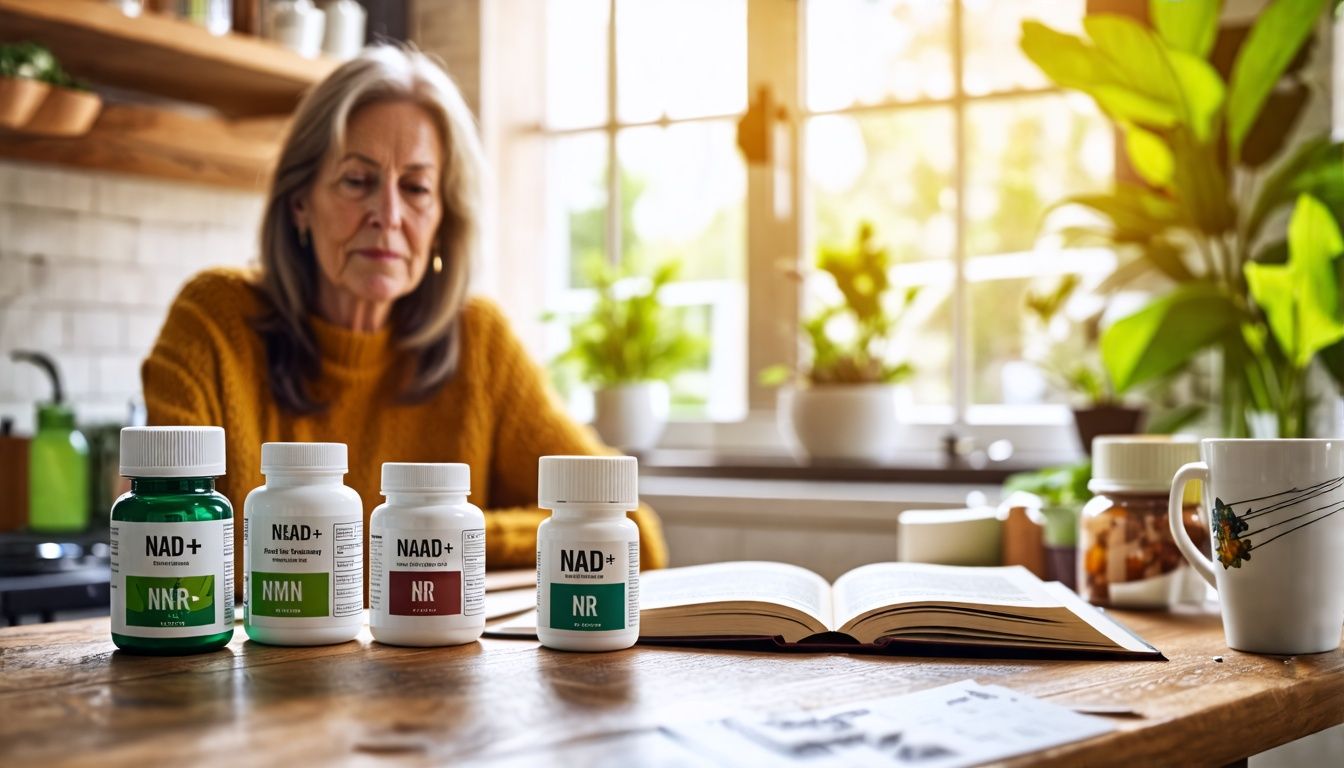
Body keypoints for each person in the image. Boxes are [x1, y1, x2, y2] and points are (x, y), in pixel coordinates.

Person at [141, 46, 668, 598]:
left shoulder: (479, 343)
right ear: (300, 201)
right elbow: (175, 542)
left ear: (442, 218)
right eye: (356, 180)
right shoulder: (213, 321)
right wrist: (427, 545)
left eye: (415, 188)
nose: (387, 216)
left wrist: (438, 534)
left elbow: (630, 535)